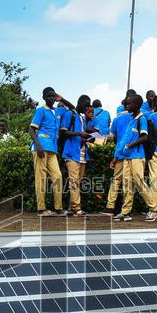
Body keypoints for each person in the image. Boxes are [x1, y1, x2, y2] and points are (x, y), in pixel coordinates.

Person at [113, 94, 157, 222]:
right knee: (127, 184)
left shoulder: (142, 119)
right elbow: (123, 139)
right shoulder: (131, 119)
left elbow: (144, 137)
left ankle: (154, 209)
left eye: (129, 104)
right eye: (127, 103)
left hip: (137, 156)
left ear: (137, 105)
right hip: (128, 157)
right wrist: (117, 156)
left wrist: (130, 145)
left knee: (139, 181)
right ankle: (125, 212)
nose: (127, 106)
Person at [28, 87, 65, 216]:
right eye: (49, 96)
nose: (51, 98)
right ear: (43, 97)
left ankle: (58, 208)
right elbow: (31, 129)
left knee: (58, 177)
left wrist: (62, 98)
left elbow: (73, 109)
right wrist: (38, 146)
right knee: (41, 179)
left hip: (52, 149)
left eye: (53, 96)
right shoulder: (41, 110)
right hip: (41, 148)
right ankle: (41, 209)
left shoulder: (57, 111)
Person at [61, 95, 95, 217]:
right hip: (71, 153)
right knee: (74, 182)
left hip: (82, 154)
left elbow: (83, 134)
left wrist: (89, 138)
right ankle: (77, 209)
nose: (87, 108)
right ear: (79, 102)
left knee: (77, 182)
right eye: (85, 105)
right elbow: (63, 132)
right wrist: (79, 133)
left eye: (88, 105)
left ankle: (71, 208)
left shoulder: (82, 118)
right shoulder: (70, 114)